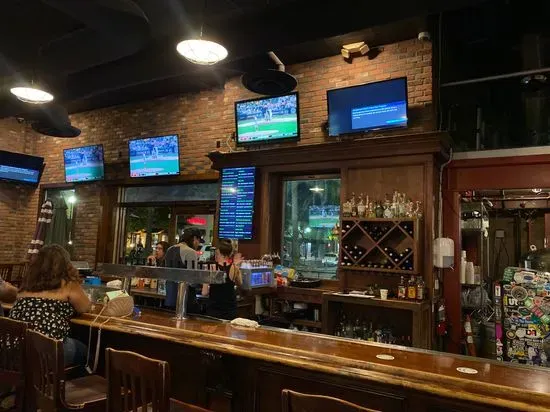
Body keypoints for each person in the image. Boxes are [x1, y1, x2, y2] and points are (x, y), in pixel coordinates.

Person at [9, 244, 91, 367]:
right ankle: (61, 379)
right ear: (66, 265)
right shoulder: (68, 284)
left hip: (13, 352)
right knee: (86, 352)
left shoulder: (26, 285)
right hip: (45, 353)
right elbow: (85, 307)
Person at [164, 228, 203, 313]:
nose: (198, 244)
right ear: (195, 238)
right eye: (199, 241)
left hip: (170, 296)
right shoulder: (190, 251)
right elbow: (192, 280)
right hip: (185, 299)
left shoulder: (170, 249)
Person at [202, 239, 242, 320]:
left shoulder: (211, 268)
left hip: (214, 309)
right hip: (230, 309)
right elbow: (239, 284)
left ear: (219, 253)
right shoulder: (235, 268)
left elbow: (204, 293)